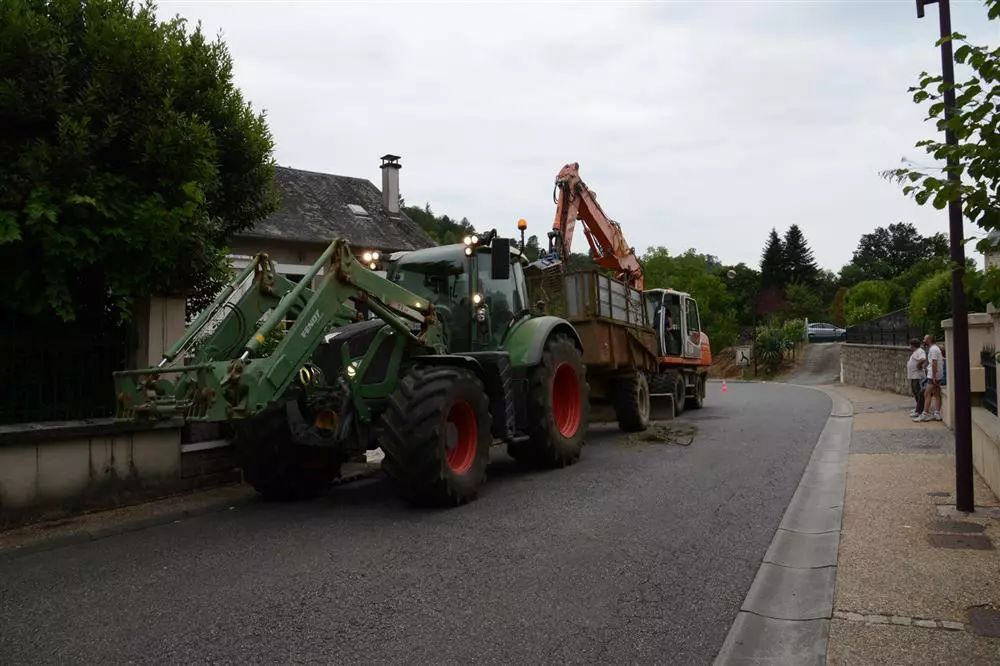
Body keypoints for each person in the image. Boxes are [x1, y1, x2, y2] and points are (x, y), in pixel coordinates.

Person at [914, 334, 943, 422]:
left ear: (929, 339)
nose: (923, 341)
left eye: (925, 339)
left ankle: (925, 414)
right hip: (936, 374)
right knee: (937, 393)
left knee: (927, 393)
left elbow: (934, 363)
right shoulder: (934, 348)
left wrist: (933, 376)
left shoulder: (933, 349)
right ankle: (937, 413)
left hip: (933, 375)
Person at [906, 338, 927, 418]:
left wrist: (918, 365)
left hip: (917, 376)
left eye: (910, 345)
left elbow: (923, 359)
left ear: (913, 345)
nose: (909, 346)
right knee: (915, 392)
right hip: (914, 376)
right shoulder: (916, 352)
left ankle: (919, 410)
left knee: (918, 393)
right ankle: (918, 408)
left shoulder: (920, 351)